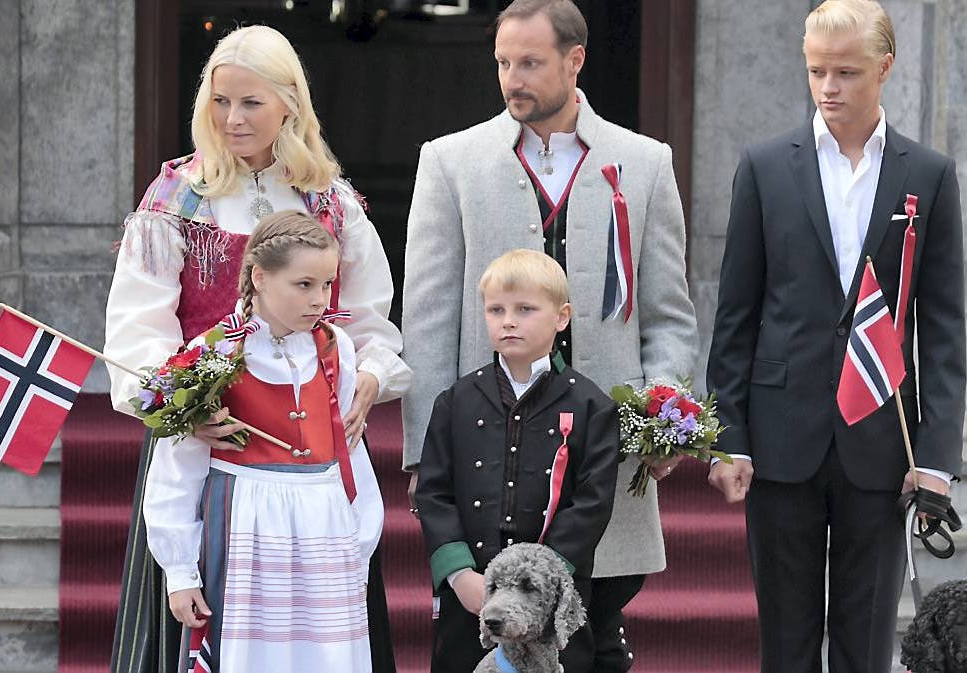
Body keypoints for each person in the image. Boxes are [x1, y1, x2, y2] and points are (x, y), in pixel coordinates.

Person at [104, 25, 410, 673]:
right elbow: (138, 329)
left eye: (251, 103)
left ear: (289, 105)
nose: (232, 119)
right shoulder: (176, 198)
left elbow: (366, 317)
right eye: (220, 102)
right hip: (209, 459)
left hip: (313, 466)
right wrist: (183, 411)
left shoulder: (331, 202)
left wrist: (371, 378)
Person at [400, 2, 698, 668]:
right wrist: (424, 449)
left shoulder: (643, 163)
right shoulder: (450, 161)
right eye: (503, 62)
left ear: (575, 60)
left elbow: (669, 312)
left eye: (530, 62)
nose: (512, 78)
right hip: (487, 460)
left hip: (599, 457)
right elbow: (425, 312)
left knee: (592, 635)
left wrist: (664, 417)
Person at [706, 1, 966, 672]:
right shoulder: (764, 166)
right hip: (779, 434)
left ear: (885, 68)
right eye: (817, 71)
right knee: (785, 642)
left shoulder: (928, 175)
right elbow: (736, 312)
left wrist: (936, 454)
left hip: (881, 437)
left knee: (866, 638)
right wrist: (727, 434)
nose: (829, 88)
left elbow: (940, 326)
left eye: (847, 72)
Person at [143, 211, 386, 672]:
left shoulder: (336, 348)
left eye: (327, 284)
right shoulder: (216, 353)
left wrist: (360, 543)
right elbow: (176, 471)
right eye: (304, 284)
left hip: (325, 532)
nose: (320, 299)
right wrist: (179, 571)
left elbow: (349, 454)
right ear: (259, 276)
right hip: (247, 533)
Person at [415, 249, 621, 673]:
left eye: (525, 309)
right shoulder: (455, 402)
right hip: (474, 596)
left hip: (551, 597)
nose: (508, 320)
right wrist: (460, 575)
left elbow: (593, 501)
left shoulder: (591, 405)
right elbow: (434, 492)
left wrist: (545, 578)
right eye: (496, 309)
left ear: (561, 316)